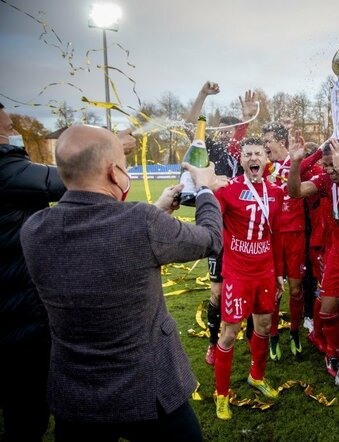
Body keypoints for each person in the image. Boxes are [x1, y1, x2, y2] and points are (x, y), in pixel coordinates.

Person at [20, 125, 222, 442]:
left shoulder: (34, 229)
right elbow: (210, 239)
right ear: (115, 172)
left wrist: (155, 214)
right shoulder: (141, 222)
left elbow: (97, 244)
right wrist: (206, 189)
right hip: (150, 388)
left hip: (76, 395)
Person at [0, 102, 66, 442]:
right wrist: (108, 145)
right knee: (26, 418)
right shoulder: (6, 168)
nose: (14, 133)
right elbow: (70, 179)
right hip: (17, 321)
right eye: (8, 128)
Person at [186, 83, 259, 367]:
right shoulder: (211, 149)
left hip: (243, 233)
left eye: (234, 132)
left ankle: (256, 343)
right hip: (219, 231)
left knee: (252, 291)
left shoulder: (245, 155)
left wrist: (247, 115)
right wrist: (202, 94)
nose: (229, 136)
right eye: (223, 131)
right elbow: (192, 125)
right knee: (216, 292)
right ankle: (214, 343)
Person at [212, 137, 285, 420]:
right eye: (247, 154)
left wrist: (278, 273)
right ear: (241, 160)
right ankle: (221, 395)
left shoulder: (276, 192)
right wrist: (216, 277)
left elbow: (275, 236)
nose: (253, 158)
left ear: (265, 158)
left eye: (258, 153)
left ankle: (257, 376)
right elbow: (213, 233)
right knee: (229, 332)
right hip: (238, 274)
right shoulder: (228, 191)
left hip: (265, 272)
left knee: (264, 326)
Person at [288, 137, 339, 386]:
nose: (329, 171)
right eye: (326, 166)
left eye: (334, 165)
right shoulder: (324, 180)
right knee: (327, 310)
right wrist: (295, 163)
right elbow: (295, 192)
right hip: (338, 254)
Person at [262, 122, 308, 360]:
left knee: (296, 289)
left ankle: (294, 332)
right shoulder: (261, 166)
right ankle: (272, 336)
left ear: (281, 142)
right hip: (272, 236)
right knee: (274, 292)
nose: (265, 146)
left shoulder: (297, 163)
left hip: (296, 235)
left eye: (268, 141)